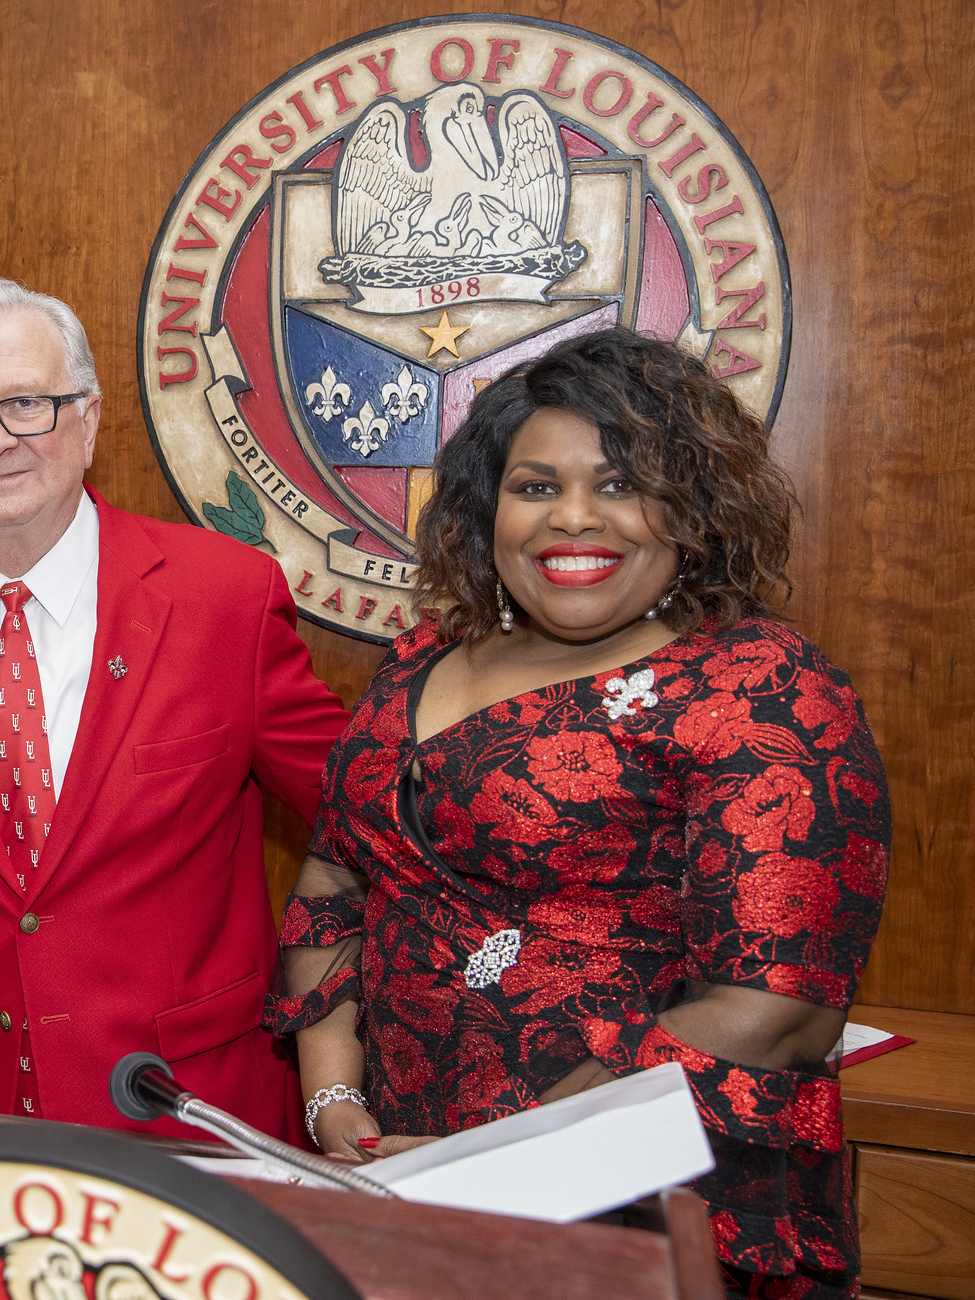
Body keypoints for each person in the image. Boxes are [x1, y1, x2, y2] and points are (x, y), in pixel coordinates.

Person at [271, 327, 888, 1298]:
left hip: (642, 1212)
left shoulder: (759, 686)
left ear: (689, 507)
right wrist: (332, 1097)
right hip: (392, 1186)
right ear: (486, 510)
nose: (570, 517)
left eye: (616, 483)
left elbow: (773, 1012)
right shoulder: (421, 659)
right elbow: (332, 888)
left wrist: (499, 1164)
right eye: (532, 487)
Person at [0, 276, 349, 1137]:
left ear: (90, 419)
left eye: (27, 402)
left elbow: (366, 823)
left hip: (181, 1112)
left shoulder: (226, 600)